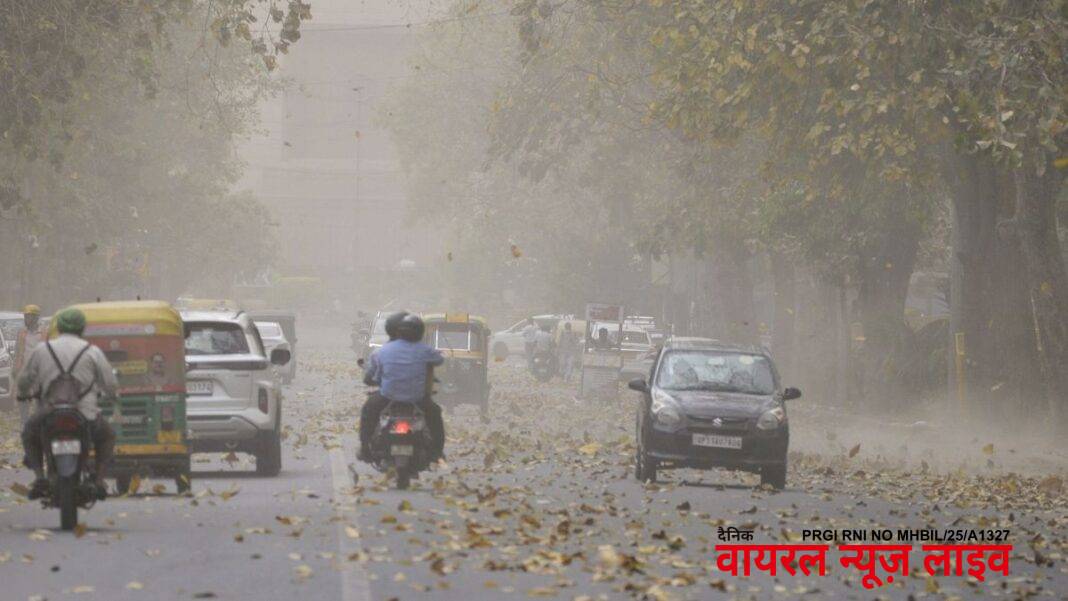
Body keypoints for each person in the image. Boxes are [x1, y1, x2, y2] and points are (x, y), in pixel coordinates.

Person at [17, 308, 117, 498]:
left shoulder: (42, 350)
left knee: (29, 433)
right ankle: (98, 480)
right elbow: (110, 383)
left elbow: (24, 379)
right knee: (108, 436)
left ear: (59, 327)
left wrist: (22, 394)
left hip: (49, 412)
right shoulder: (92, 351)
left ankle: (39, 477)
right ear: (82, 328)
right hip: (85, 414)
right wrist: (113, 396)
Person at [359, 312, 446, 463]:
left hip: (388, 397)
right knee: (435, 414)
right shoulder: (425, 350)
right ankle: (437, 452)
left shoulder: (382, 351)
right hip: (418, 399)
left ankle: (365, 449)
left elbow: (372, 377)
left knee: (368, 411)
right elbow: (439, 360)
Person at [14, 304, 45, 425]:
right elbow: (17, 352)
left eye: (28, 317)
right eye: (25, 316)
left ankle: (39, 421)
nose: (26, 319)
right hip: (25, 370)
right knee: (23, 397)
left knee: (40, 398)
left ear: (36, 317)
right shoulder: (22, 332)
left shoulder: (44, 332)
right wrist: (15, 369)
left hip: (40, 371)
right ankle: (24, 422)